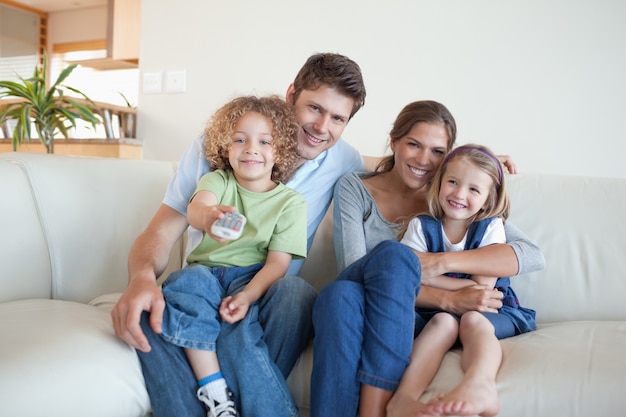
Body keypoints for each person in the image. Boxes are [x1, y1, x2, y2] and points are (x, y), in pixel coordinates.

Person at [110, 52, 366, 417]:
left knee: (296, 293)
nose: (322, 127)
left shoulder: (345, 162)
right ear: (291, 94)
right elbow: (163, 228)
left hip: (267, 297)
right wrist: (140, 278)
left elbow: (392, 178)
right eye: (314, 108)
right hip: (207, 286)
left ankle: (220, 395)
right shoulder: (222, 146)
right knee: (147, 317)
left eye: (338, 118)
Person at [311, 101, 545, 417]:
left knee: (338, 296)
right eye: (413, 145)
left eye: (437, 152)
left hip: (413, 316)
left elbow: (530, 254)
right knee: (355, 283)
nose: (424, 159)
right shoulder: (358, 188)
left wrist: (442, 262)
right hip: (390, 300)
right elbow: (354, 270)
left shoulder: (452, 200)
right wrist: (449, 300)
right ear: (394, 142)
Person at [157, 95, 307, 417]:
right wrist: (210, 217)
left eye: (264, 141)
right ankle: (215, 393)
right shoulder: (217, 181)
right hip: (206, 275)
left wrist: (248, 296)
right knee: (184, 283)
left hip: (250, 277)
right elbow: (197, 208)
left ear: (279, 150)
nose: (251, 148)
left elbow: (278, 264)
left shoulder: (291, 203)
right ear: (226, 147)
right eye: (240, 139)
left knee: (249, 327)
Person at [392, 144, 536, 417]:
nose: (459, 194)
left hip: (491, 311)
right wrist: (460, 286)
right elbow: (407, 275)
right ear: (439, 183)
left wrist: (432, 273)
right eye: (453, 182)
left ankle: (479, 386)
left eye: (473, 189)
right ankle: (403, 399)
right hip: (435, 310)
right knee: (442, 322)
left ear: (488, 199)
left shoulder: (491, 226)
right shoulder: (421, 226)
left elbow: (483, 290)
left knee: (472, 319)